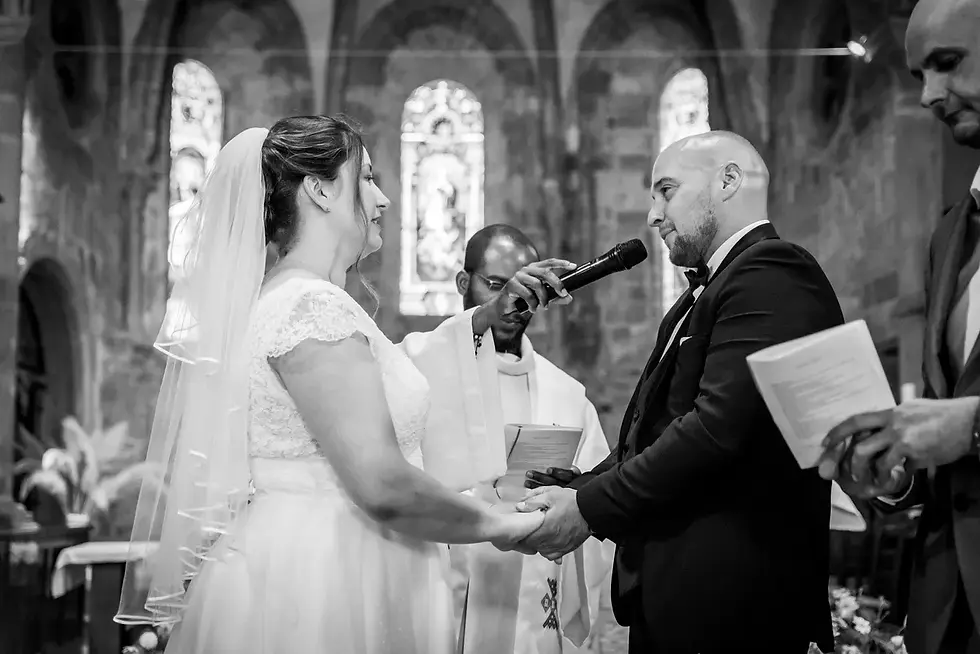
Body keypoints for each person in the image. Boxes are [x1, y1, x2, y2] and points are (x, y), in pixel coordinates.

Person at [112, 116, 571, 653]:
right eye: (368, 178)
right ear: (321, 189)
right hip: (327, 577)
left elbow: (395, 401)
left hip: (325, 556)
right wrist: (503, 525)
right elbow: (380, 482)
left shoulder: (295, 300)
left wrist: (484, 316)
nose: (382, 199)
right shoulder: (312, 309)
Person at [514, 131, 842, 653]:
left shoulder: (774, 270)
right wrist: (582, 487)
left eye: (666, 190)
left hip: (735, 606)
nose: (653, 215)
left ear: (729, 181)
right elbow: (656, 430)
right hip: (683, 596)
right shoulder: (699, 296)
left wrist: (590, 509)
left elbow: (715, 431)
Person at [819, 2, 980, 652]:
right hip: (948, 606)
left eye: (947, 64)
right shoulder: (950, 234)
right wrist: (900, 471)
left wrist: (971, 428)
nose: (927, 96)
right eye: (918, 72)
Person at [417, 224, 614, 654]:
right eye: (496, 285)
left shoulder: (568, 396)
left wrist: (575, 489)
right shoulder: (421, 375)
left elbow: (597, 520)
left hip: (530, 595)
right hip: (446, 586)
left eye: (529, 288)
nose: (515, 301)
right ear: (462, 282)